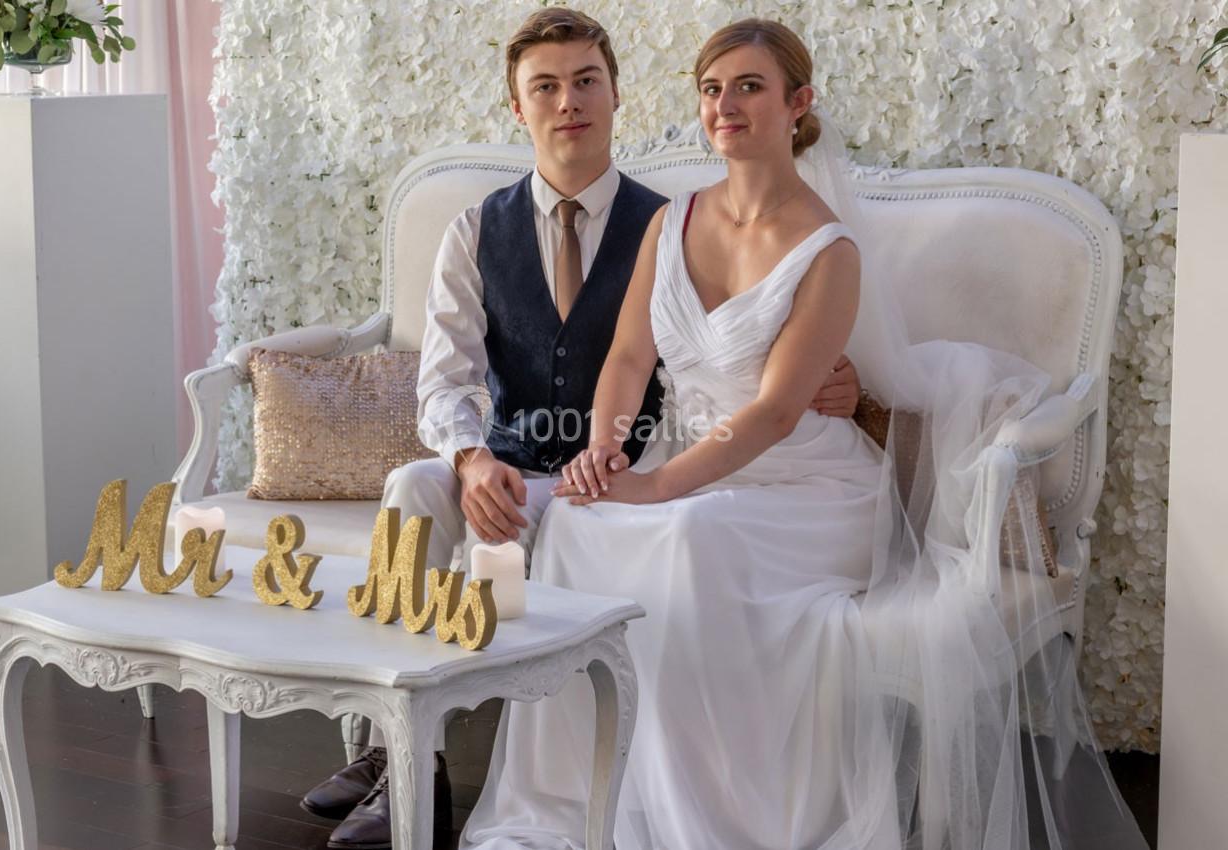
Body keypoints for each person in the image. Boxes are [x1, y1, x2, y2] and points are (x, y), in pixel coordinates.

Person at [460, 18, 1150, 850]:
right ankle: (581, 804)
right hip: (689, 462)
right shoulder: (668, 223)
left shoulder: (830, 249)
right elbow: (630, 355)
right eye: (712, 90)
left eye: (749, 86)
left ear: (799, 103)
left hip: (805, 486)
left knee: (691, 536)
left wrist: (654, 485)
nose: (726, 106)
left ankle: (708, 823)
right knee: (575, 522)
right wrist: (605, 449)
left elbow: (777, 412)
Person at [300, 10, 863, 849]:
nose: (569, 102)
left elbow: (721, 356)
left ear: (615, 95)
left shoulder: (669, 219)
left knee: (605, 522)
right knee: (411, 487)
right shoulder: (472, 231)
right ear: (517, 107)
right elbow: (444, 378)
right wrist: (469, 457)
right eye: (546, 87)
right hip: (518, 466)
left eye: (586, 81)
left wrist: (840, 382)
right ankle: (400, 760)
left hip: (633, 468)